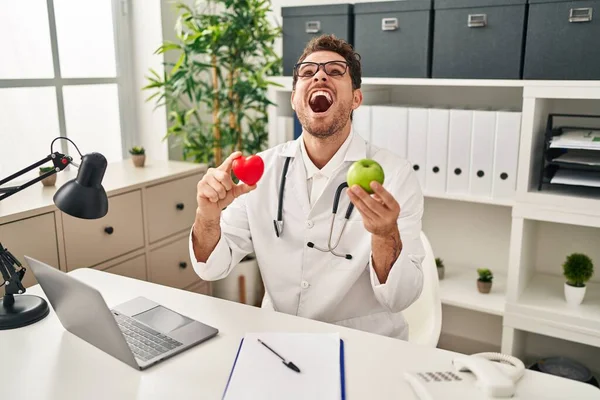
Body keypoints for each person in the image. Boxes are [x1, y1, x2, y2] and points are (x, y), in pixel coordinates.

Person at [189, 34, 424, 340]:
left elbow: (399, 298)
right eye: (308, 72)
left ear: (356, 98)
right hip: (278, 340)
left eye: (336, 71)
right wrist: (207, 216)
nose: (320, 75)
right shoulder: (262, 170)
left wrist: (384, 234)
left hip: (365, 346)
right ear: (294, 98)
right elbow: (212, 267)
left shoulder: (394, 175)